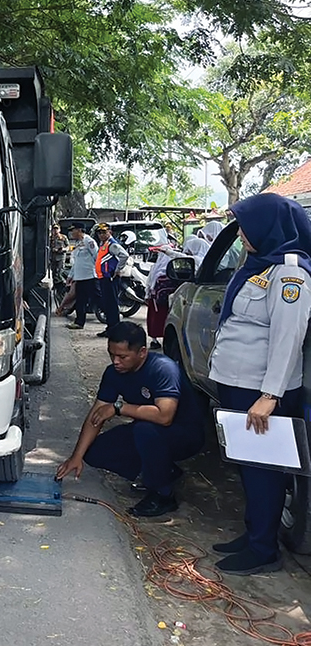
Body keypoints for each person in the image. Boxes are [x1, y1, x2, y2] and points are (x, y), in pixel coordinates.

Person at [207, 193, 311, 575]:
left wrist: (270, 396)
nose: (241, 234)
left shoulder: (290, 274)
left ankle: (264, 550)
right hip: (238, 383)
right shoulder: (259, 265)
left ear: (269, 227)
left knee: (263, 470)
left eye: (246, 227)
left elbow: (288, 338)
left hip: (259, 390)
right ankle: (254, 533)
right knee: (247, 465)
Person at [55, 320, 205, 517]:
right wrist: (76, 456)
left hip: (184, 434)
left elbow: (165, 416)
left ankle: (163, 495)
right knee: (93, 452)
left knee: (145, 430)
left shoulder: (163, 369)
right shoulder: (113, 373)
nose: (115, 361)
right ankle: (164, 471)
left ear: (142, 352)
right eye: (111, 355)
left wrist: (119, 408)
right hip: (147, 432)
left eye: (122, 356)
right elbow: (96, 414)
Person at [93, 223, 129, 338]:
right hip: (104, 277)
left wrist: (118, 270)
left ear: (110, 232)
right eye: (99, 233)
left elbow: (124, 255)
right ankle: (110, 328)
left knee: (111, 304)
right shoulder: (103, 244)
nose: (101, 235)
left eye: (104, 232)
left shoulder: (112, 245)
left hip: (110, 278)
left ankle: (114, 329)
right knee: (108, 304)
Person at [63, 222, 98, 330]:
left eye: (73, 230)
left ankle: (112, 318)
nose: (71, 233)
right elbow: (76, 262)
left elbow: (97, 257)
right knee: (80, 301)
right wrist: (71, 275)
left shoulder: (89, 241)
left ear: (79, 230)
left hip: (90, 277)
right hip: (80, 277)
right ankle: (79, 322)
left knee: (98, 299)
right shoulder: (78, 243)